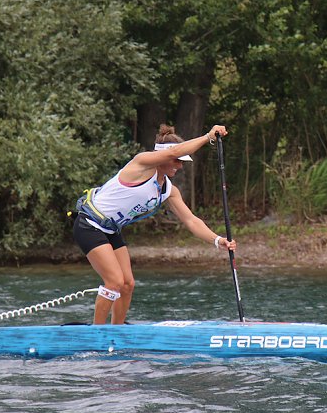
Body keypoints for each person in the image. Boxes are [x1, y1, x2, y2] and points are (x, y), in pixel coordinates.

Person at [72, 124, 236, 324]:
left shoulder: (169, 190)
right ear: (163, 156)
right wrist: (208, 137)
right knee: (114, 282)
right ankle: (97, 333)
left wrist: (217, 240)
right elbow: (174, 151)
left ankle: (117, 331)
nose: (180, 166)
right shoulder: (142, 163)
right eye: (177, 161)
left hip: (111, 230)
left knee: (128, 284)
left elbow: (191, 220)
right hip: (89, 225)